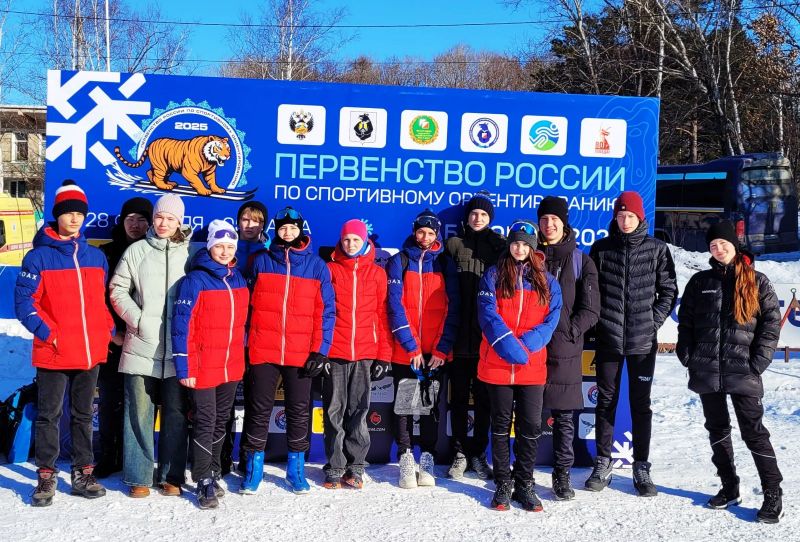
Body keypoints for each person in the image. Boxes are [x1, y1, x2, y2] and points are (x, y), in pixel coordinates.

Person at [15, 180, 114, 506]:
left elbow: (100, 301)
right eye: (68, 213)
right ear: (57, 215)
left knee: (83, 414)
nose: (74, 219)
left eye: (79, 213)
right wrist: (51, 334)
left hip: (89, 351)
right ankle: (46, 475)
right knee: (49, 415)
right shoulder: (38, 257)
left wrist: (106, 328)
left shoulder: (96, 257)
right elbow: (24, 304)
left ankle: (83, 473)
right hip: (54, 351)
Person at [677, 220, 783, 523]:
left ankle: (772, 492)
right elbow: (686, 322)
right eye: (713, 245)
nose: (718, 249)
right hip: (706, 368)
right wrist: (688, 354)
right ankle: (729, 485)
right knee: (717, 429)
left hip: (743, 370)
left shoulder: (758, 281)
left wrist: (758, 362)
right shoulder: (700, 281)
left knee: (754, 432)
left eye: (723, 244)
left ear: (734, 246)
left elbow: (771, 325)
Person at [587, 191, 678, 496]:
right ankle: (603, 462)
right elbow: (591, 292)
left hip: (642, 342)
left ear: (640, 218)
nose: (624, 221)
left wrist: (652, 322)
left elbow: (669, 291)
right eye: (620, 216)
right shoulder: (601, 249)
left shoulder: (657, 249)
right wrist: (599, 323)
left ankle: (641, 466)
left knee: (641, 405)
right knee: (605, 402)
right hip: (608, 340)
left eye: (630, 216)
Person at [239, 206, 335, 495]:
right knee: (258, 410)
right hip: (263, 348)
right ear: (276, 230)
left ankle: (296, 469)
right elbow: (245, 306)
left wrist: (320, 350)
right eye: (283, 227)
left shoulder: (316, 266)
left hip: (301, 352)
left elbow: (326, 311)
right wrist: (245, 342)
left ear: (301, 230)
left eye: (293, 228)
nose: (288, 232)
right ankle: (254, 468)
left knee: (299, 411)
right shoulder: (261, 261)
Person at [110, 194, 194, 498]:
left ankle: (171, 476)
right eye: (159, 217)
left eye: (170, 219)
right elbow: (118, 289)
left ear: (179, 222)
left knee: (176, 413)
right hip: (140, 346)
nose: (163, 223)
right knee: (138, 414)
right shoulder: (136, 251)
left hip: (177, 350)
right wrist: (138, 319)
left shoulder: (192, 254)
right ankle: (139, 476)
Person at [477, 220, 562, 511]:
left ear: (533, 248)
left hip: (531, 366)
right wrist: (508, 345)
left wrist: (525, 346)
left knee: (530, 426)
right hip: (498, 364)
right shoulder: (493, 274)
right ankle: (503, 483)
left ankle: (524, 483)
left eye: (525, 244)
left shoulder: (547, 281)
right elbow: (487, 313)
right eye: (515, 243)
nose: (520, 248)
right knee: (500, 426)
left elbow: (552, 318)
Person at [172, 220, 249, 509]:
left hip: (230, 365)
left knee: (221, 420)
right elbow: (181, 327)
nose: (225, 251)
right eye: (219, 246)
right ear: (209, 247)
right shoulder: (195, 280)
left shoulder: (238, 278)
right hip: (203, 365)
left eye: (230, 246)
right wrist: (184, 367)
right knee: (205, 421)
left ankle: (214, 471)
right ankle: (202, 478)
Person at [386, 209, 460, 489]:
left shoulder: (444, 263)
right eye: (421, 231)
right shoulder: (399, 261)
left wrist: (441, 349)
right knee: (405, 404)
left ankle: (427, 457)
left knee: (429, 406)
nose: (425, 237)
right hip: (407, 351)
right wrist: (411, 346)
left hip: (434, 354)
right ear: (414, 231)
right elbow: (395, 306)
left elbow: (453, 308)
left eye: (430, 233)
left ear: (436, 235)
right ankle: (405, 456)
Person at [537, 196, 600, 500]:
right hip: (532, 346)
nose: (549, 225)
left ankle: (562, 474)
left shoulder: (580, 261)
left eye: (554, 220)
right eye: (544, 219)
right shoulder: (528, 255)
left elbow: (591, 309)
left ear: (564, 223)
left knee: (563, 417)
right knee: (527, 412)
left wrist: (571, 332)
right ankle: (521, 472)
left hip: (565, 348)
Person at [322, 219, 392, 489]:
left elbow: (382, 315)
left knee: (359, 411)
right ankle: (334, 466)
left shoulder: (377, 274)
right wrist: (321, 351)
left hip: (365, 352)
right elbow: (322, 312)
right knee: (334, 412)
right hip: (336, 352)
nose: (351, 244)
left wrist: (384, 355)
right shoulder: (330, 269)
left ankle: (356, 467)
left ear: (364, 242)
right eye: (346, 239)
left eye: (356, 240)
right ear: (340, 241)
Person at [445, 191, 505, 480]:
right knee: (457, 400)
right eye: (473, 213)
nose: (478, 218)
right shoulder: (454, 244)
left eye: (483, 214)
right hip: (458, 338)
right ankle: (459, 453)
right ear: (467, 217)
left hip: (486, 341)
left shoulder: (500, 246)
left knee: (484, 401)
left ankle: (479, 454)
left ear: (490, 218)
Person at [96, 196, 153, 479]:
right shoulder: (106, 253)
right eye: (130, 219)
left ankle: (138, 460)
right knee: (110, 401)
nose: (136, 225)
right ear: (122, 222)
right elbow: (95, 299)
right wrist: (111, 333)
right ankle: (108, 456)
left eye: (142, 219)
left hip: (145, 341)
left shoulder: (156, 253)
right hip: (114, 340)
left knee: (141, 404)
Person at [225, 201, 269, 475]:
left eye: (256, 220)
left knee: (256, 400)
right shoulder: (226, 248)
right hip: (228, 333)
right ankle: (221, 456)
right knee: (225, 399)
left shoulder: (269, 252)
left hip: (258, 335)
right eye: (245, 219)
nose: (250, 225)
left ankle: (247, 456)